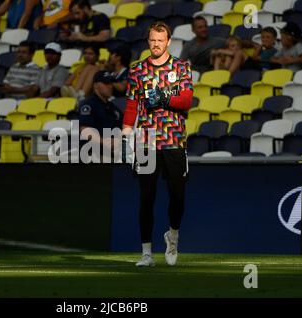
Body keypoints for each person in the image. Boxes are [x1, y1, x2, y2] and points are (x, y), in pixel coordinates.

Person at [122, 22, 193, 267]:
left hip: (173, 138)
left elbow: (186, 101)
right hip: (146, 139)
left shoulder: (181, 67)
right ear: (148, 40)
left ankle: (172, 235)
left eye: (160, 40)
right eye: (152, 40)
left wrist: (163, 96)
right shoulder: (137, 70)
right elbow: (131, 104)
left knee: (177, 195)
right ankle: (146, 254)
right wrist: (126, 135)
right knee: (146, 197)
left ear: (168, 42)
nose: (156, 44)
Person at [78, 70, 122, 160]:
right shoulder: (88, 105)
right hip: (91, 154)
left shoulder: (114, 109)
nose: (110, 86)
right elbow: (85, 130)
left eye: (111, 83)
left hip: (112, 154)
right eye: (106, 83)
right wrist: (106, 142)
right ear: (95, 85)